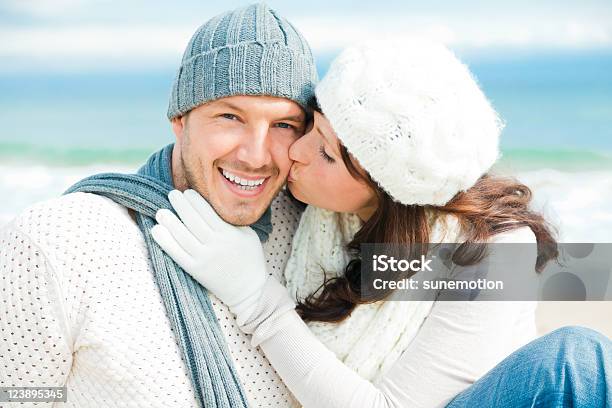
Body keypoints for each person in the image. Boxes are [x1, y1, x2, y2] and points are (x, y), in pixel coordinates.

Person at [152, 39, 612, 407]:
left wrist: (256, 301)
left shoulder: (493, 251)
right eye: (310, 125)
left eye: (327, 154)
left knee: (577, 359)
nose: (295, 151)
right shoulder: (318, 214)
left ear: (389, 193)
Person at [0, 4, 318, 407]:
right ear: (180, 119)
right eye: (230, 117)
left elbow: (416, 292)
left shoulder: (317, 229)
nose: (255, 156)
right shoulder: (55, 244)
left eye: (283, 125)